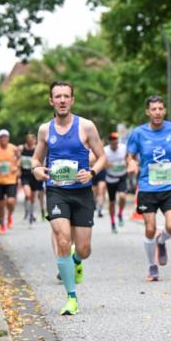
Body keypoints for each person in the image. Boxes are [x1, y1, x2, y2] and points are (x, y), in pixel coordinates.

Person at [30, 81, 107, 316]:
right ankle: (71, 297)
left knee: (83, 249)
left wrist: (92, 173)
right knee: (63, 239)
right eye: (57, 96)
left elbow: (102, 157)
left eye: (66, 96)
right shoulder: (45, 130)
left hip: (82, 192)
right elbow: (35, 160)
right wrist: (36, 170)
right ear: (51, 101)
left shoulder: (86, 127)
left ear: (72, 100)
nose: (62, 100)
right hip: (56, 190)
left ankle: (77, 260)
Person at [126, 96, 171, 282]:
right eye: (154, 109)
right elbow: (130, 156)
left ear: (165, 110)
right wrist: (131, 164)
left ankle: (162, 241)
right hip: (147, 186)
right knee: (150, 228)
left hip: (170, 185)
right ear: (148, 112)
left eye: (161, 108)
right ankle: (152, 266)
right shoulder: (138, 133)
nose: (158, 112)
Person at [0, 129, 21, 234]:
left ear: (8, 138)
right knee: (0, 203)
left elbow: (19, 158)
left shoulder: (14, 148)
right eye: (1, 137)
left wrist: (16, 166)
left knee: (11, 201)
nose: (3, 139)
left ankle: (10, 215)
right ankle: (2, 224)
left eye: (5, 137)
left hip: (11, 179)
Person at [103, 132, 129, 232]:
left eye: (116, 142)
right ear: (110, 142)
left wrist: (127, 162)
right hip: (111, 178)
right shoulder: (105, 150)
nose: (115, 144)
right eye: (113, 142)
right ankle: (113, 222)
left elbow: (129, 157)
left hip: (122, 176)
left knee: (123, 196)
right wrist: (106, 165)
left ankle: (120, 213)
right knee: (112, 202)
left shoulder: (123, 147)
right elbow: (101, 162)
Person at [19, 133, 45, 225]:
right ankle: (27, 212)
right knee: (28, 194)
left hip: (34, 175)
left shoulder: (37, 149)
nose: (31, 143)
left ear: (35, 141)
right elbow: (17, 159)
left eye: (32, 141)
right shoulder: (21, 149)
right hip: (25, 176)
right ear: (27, 141)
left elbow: (41, 161)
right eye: (29, 141)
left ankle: (31, 214)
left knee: (33, 197)